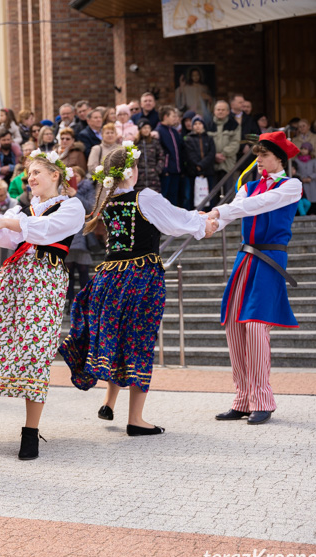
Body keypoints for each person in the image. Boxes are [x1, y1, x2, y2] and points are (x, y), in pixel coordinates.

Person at [59, 145, 217, 436]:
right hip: (140, 277)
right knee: (139, 343)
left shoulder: (106, 200)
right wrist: (203, 223)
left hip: (108, 279)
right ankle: (136, 419)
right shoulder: (144, 196)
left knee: (119, 340)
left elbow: (173, 216)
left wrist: (196, 219)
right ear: (130, 171)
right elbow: (174, 220)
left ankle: (108, 402)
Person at [0, 151, 85, 460]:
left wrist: (5, 220)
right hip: (13, 279)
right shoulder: (24, 209)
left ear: (55, 176)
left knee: (35, 352)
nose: (30, 178)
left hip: (44, 283)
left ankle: (30, 432)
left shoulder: (71, 207)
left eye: (36, 172)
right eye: (28, 174)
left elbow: (45, 231)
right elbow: (7, 236)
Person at [207, 132, 302, 425]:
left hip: (271, 258)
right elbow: (231, 214)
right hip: (245, 258)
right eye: (257, 155)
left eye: (264, 155)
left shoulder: (290, 186)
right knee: (234, 324)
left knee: (257, 325)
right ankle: (243, 398)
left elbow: (256, 206)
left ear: (279, 158)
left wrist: (220, 210)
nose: (258, 160)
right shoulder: (248, 186)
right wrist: (204, 222)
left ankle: (263, 399)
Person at [64, 167, 96, 315]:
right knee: (68, 270)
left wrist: (75, 195)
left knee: (83, 269)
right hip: (67, 232)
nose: (73, 177)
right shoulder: (62, 188)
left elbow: (90, 207)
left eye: (76, 174)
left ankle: (86, 301)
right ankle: (69, 301)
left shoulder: (87, 187)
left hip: (82, 232)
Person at [183, 116, 217, 208]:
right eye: (195, 124)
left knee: (209, 194)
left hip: (208, 171)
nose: (198, 126)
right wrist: (197, 165)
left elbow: (211, 153)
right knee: (192, 195)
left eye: (200, 124)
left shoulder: (209, 138)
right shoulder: (188, 139)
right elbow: (189, 154)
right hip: (193, 172)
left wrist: (202, 165)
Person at [207, 100, 241, 193]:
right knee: (213, 193)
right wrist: (213, 155)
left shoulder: (234, 125)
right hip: (211, 164)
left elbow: (235, 143)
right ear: (214, 111)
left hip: (228, 163)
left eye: (223, 109)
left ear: (228, 112)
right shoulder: (207, 125)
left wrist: (222, 154)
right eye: (218, 109)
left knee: (228, 193)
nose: (220, 111)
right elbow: (205, 143)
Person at [156, 106, 184, 207]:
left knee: (173, 199)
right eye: (173, 116)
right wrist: (164, 169)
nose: (175, 118)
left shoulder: (174, 132)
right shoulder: (159, 131)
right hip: (166, 172)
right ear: (165, 116)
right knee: (164, 199)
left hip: (176, 171)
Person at [134, 119, 165, 192]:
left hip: (153, 178)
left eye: (148, 128)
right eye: (144, 128)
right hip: (139, 179)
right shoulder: (135, 143)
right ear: (140, 129)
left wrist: (157, 170)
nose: (146, 130)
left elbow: (161, 157)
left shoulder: (154, 142)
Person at [294, 142, 316, 213]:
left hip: (312, 182)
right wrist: (301, 178)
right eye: (302, 148)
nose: (303, 150)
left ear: (309, 150)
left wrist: (310, 177)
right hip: (302, 182)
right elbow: (294, 171)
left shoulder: (313, 160)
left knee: (313, 199)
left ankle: (313, 213)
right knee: (304, 200)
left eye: (305, 149)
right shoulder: (297, 160)